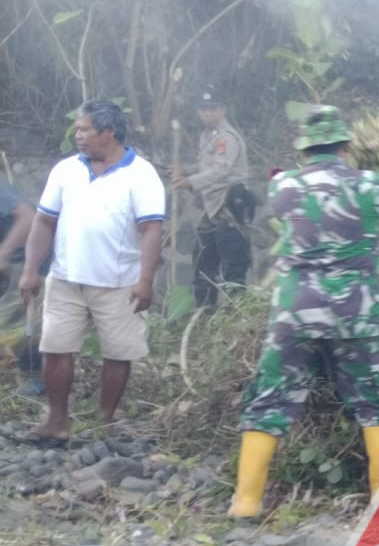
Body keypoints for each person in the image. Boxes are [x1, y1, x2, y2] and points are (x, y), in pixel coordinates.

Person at [227, 106, 379, 518]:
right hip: (355, 315)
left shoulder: (283, 185)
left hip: (294, 315)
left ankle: (246, 502)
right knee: (376, 399)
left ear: (304, 147)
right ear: (345, 146)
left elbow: (285, 204)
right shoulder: (369, 184)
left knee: (270, 399)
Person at [9, 100, 165, 448]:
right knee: (55, 348)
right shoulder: (66, 170)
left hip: (120, 282)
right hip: (65, 278)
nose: (77, 135)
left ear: (108, 132)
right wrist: (31, 270)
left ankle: (103, 422)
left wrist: (145, 281)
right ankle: (57, 422)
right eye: (77, 129)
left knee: (118, 352)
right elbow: (44, 222)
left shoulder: (141, 174)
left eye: (84, 130)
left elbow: (151, 230)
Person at [172, 89, 252, 308]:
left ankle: (237, 316)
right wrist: (186, 171)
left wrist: (190, 182)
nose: (207, 113)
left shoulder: (227, 138)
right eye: (203, 109)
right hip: (213, 209)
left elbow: (221, 171)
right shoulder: (207, 136)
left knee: (233, 269)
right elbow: (206, 165)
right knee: (203, 264)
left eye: (212, 108)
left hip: (230, 209)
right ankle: (204, 313)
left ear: (222, 110)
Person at [0, 176, 48, 398]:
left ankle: (34, 379)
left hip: (23, 260)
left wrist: (3, 254)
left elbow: (28, 217)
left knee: (15, 322)